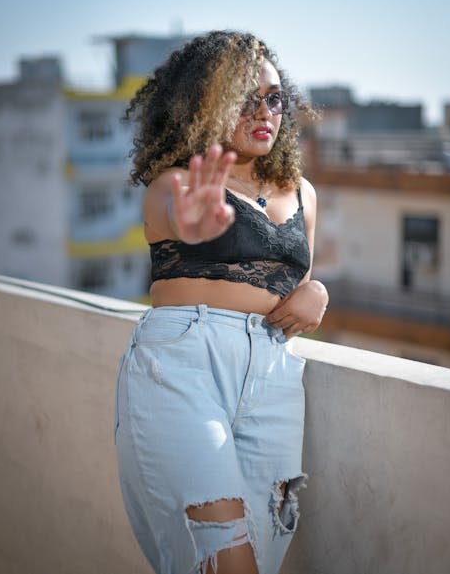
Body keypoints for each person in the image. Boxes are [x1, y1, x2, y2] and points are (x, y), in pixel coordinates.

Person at [114, 30, 329, 574]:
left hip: (274, 378)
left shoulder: (303, 192)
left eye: (274, 97)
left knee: (259, 555)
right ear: (203, 106)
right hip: (184, 366)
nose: (264, 110)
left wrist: (318, 291)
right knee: (225, 558)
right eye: (243, 97)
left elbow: (299, 279)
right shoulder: (177, 183)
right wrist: (196, 228)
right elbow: (174, 213)